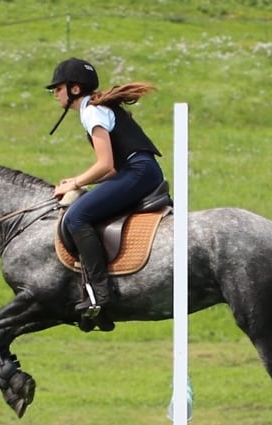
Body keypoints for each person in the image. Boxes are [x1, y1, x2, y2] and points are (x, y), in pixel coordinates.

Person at [45, 57, 164, 323]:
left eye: (58, 89)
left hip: (138, 172)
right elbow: (110, 170)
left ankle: (99, 292)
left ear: (74, 89)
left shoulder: (91, 111)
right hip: (139, 171)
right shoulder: (96, 107)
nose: (55, 94)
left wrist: (75, 182)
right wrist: (78, 182)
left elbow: (106, 164)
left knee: (76, 217)